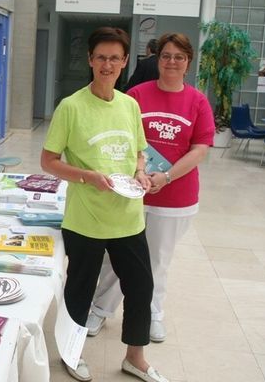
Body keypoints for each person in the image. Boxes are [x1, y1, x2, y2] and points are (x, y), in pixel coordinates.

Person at [41, 27, 168, 382]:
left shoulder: (130, 105)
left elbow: (138, 152)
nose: (107, 64)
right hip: (86, 219)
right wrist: (87, 176)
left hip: (128, 218)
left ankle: (135, 358)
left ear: (125, 61)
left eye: (115, 58)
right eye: (101, 57)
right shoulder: (72, 106)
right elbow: (48, 161)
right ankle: (71, 353)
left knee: (141, 289)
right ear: (90, 60)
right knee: (79, 290)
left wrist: (141, 173)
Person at [87, 33, 215, 344]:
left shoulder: (197, 101)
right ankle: (101, 308)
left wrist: (167, 177)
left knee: (157, 260)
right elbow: (120, 138)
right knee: (119, 255)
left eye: (179, 57)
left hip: (175, 198)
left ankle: (154, 313)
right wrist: (138, 174)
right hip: (132, 191)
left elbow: (200, 148)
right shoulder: (136, 96)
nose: (172, 62)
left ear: (188, 63)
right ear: (157, 60)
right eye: (166, 56)